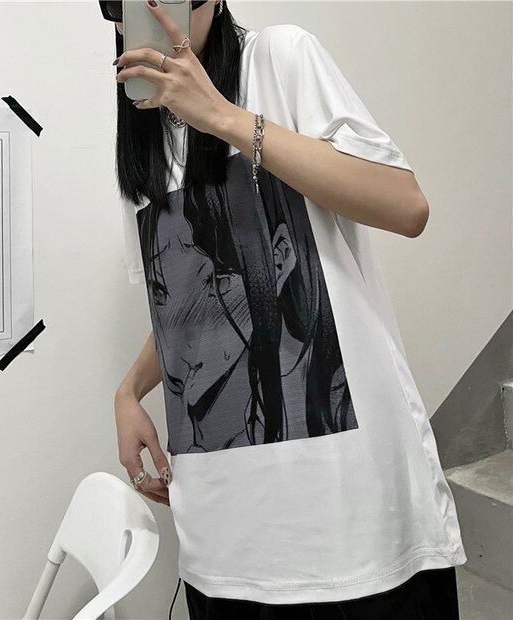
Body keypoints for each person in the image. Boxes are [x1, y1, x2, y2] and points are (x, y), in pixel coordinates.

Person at [103, 1, 467, 617]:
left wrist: (222, 117)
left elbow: (407, 207)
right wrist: (129, 391)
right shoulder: (143, 141)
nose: (152, 12)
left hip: (351, 521)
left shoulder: (280, 58)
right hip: (224, 535)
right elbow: (194, 301)